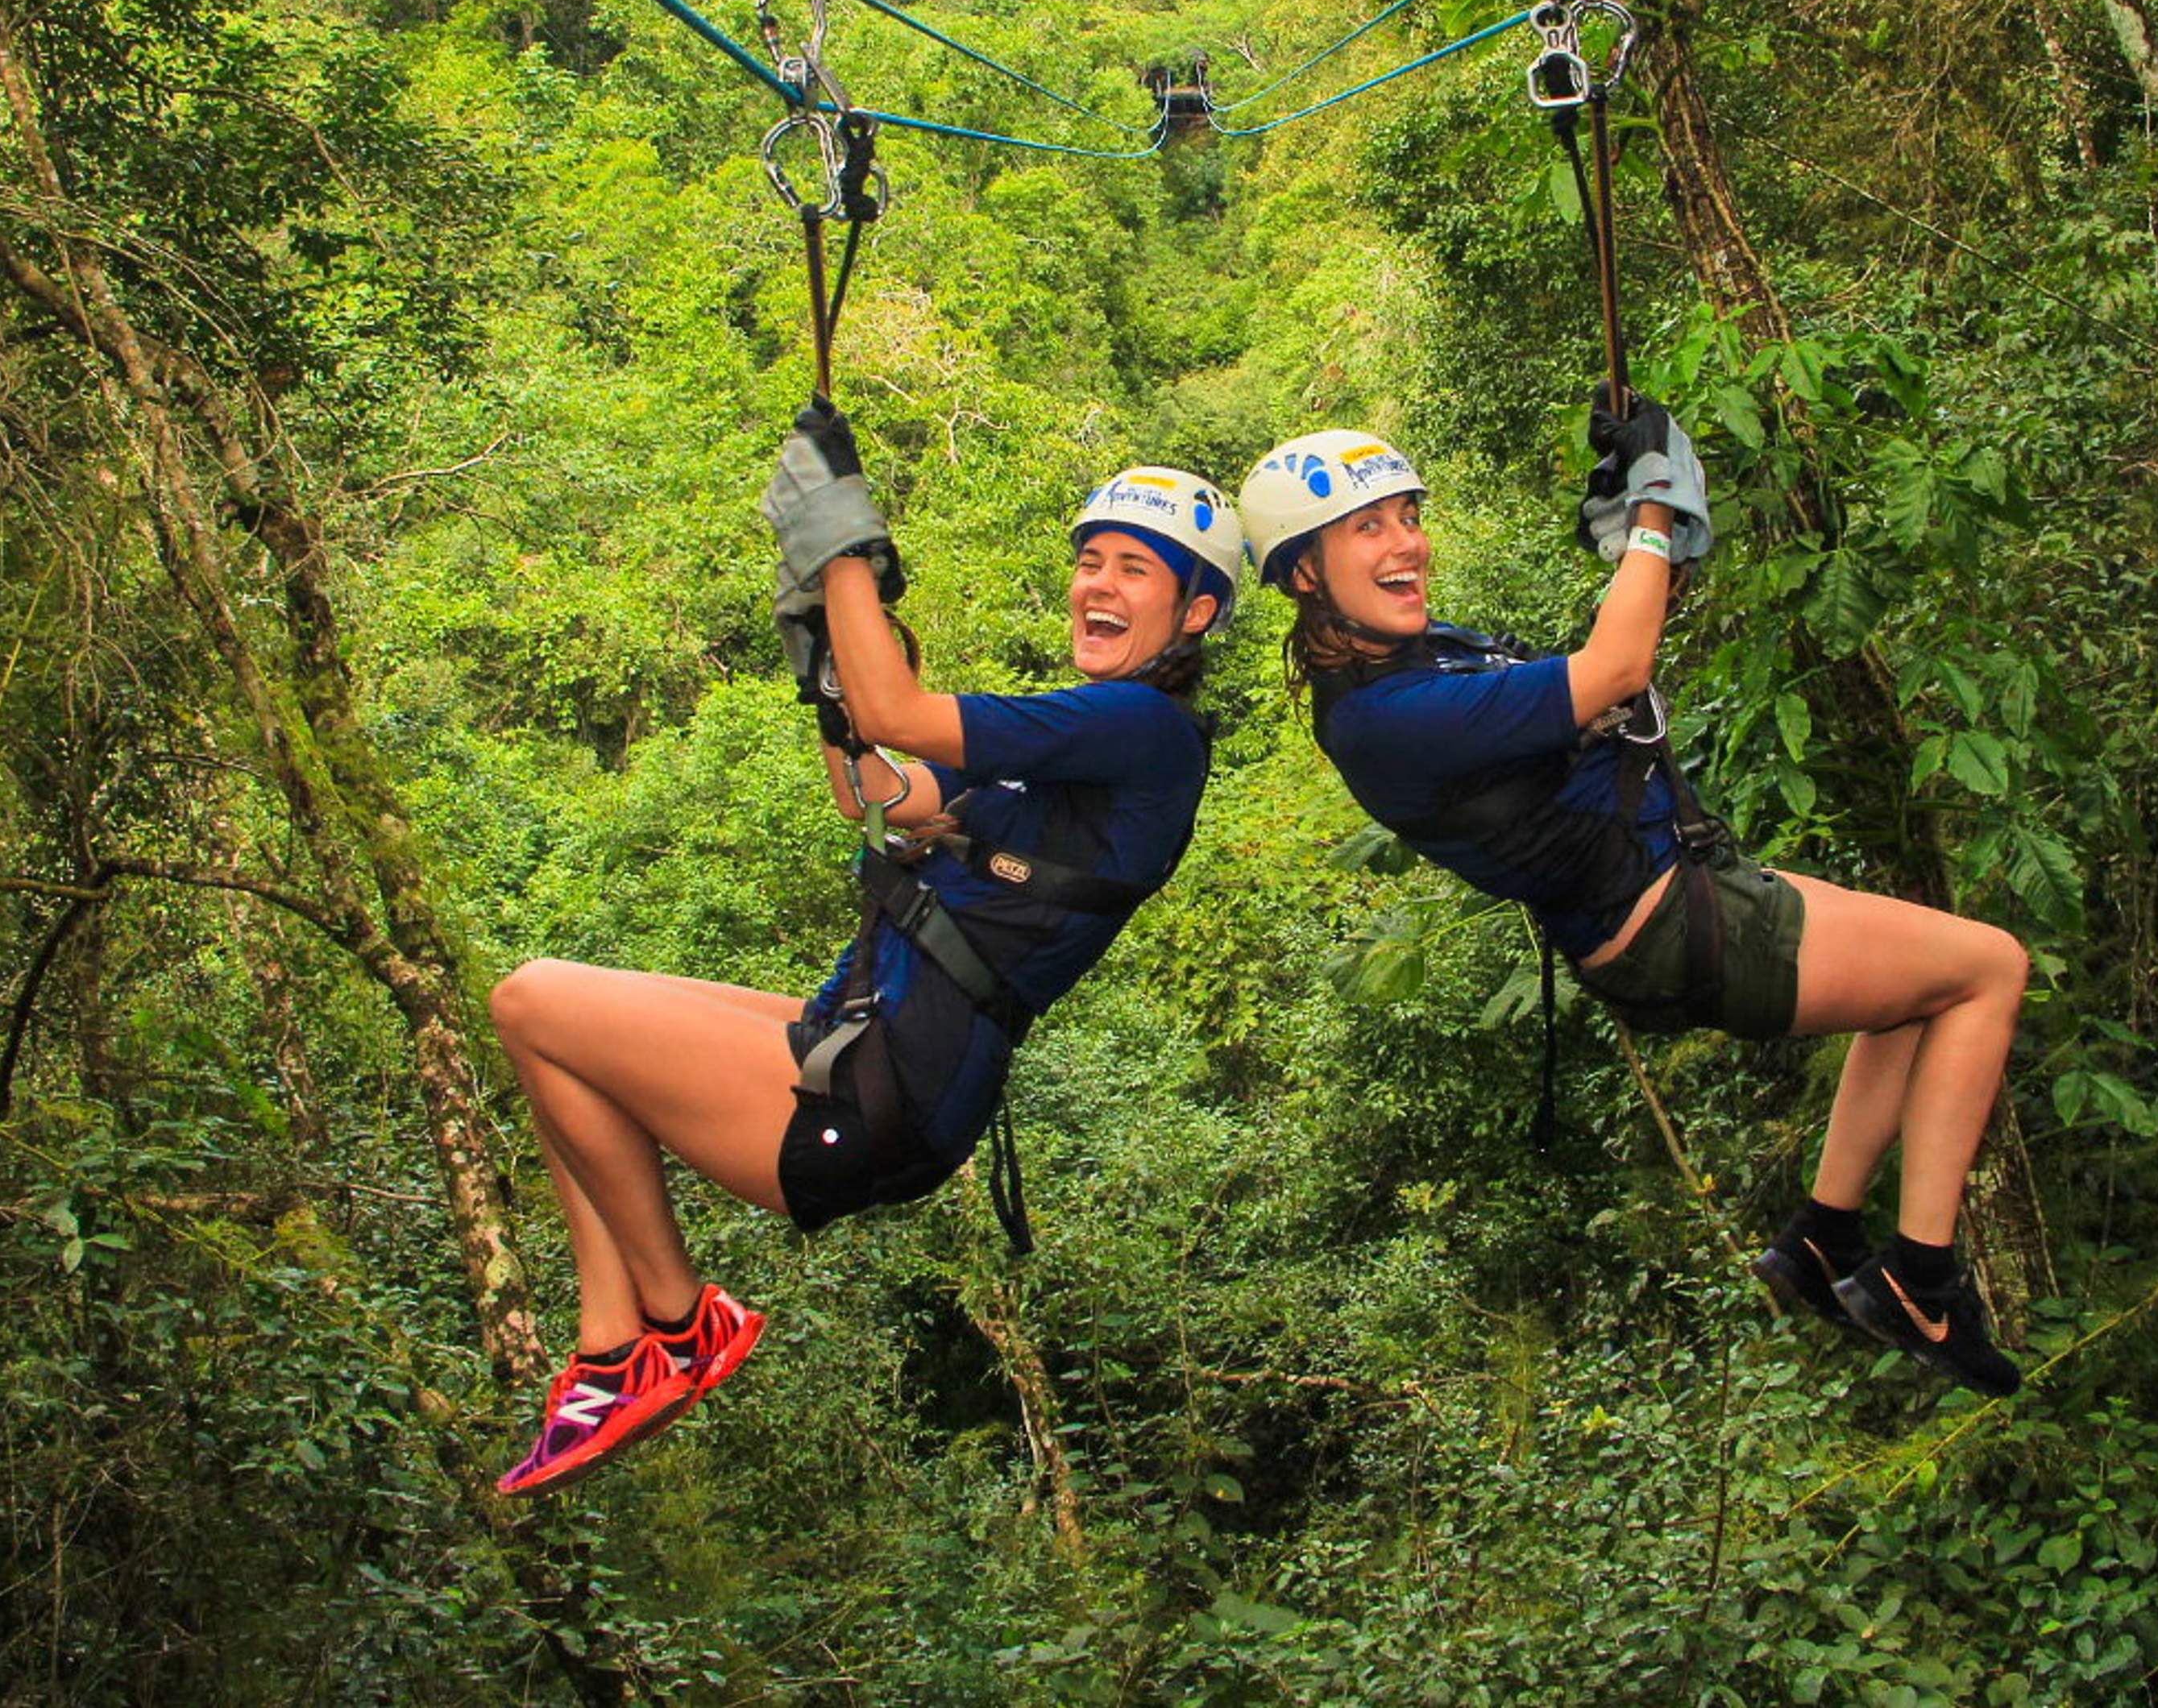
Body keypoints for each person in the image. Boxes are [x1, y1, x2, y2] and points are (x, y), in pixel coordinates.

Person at [483, 413, 1239, 1494]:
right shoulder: (1068, 768)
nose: (1098, 584)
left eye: (1135, 568)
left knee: (533, 1000)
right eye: (1088, 561)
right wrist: (831, 687)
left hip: (890, 1088)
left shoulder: (1141, 730)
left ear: (1194, 611)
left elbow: (904, 708)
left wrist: (843, 550)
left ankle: (673, 1319)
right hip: (871, 1045)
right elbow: (885, 800)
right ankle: (615, 1340)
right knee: (561, 1034)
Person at [1239, 414, 2031, 1395]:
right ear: (1306, 573)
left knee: (1914, 993)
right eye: (1369, 529)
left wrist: (1634, 541)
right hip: (1669, 917)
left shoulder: (1414, 658)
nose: (1406, 543)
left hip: (1677, 893)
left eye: (1407, 516)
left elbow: (1588, 677)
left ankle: (1822, 1241)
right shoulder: (1383, 719)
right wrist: (1653, 513)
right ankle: (1922, 1277)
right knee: (1990, 968)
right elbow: (1614, 671)